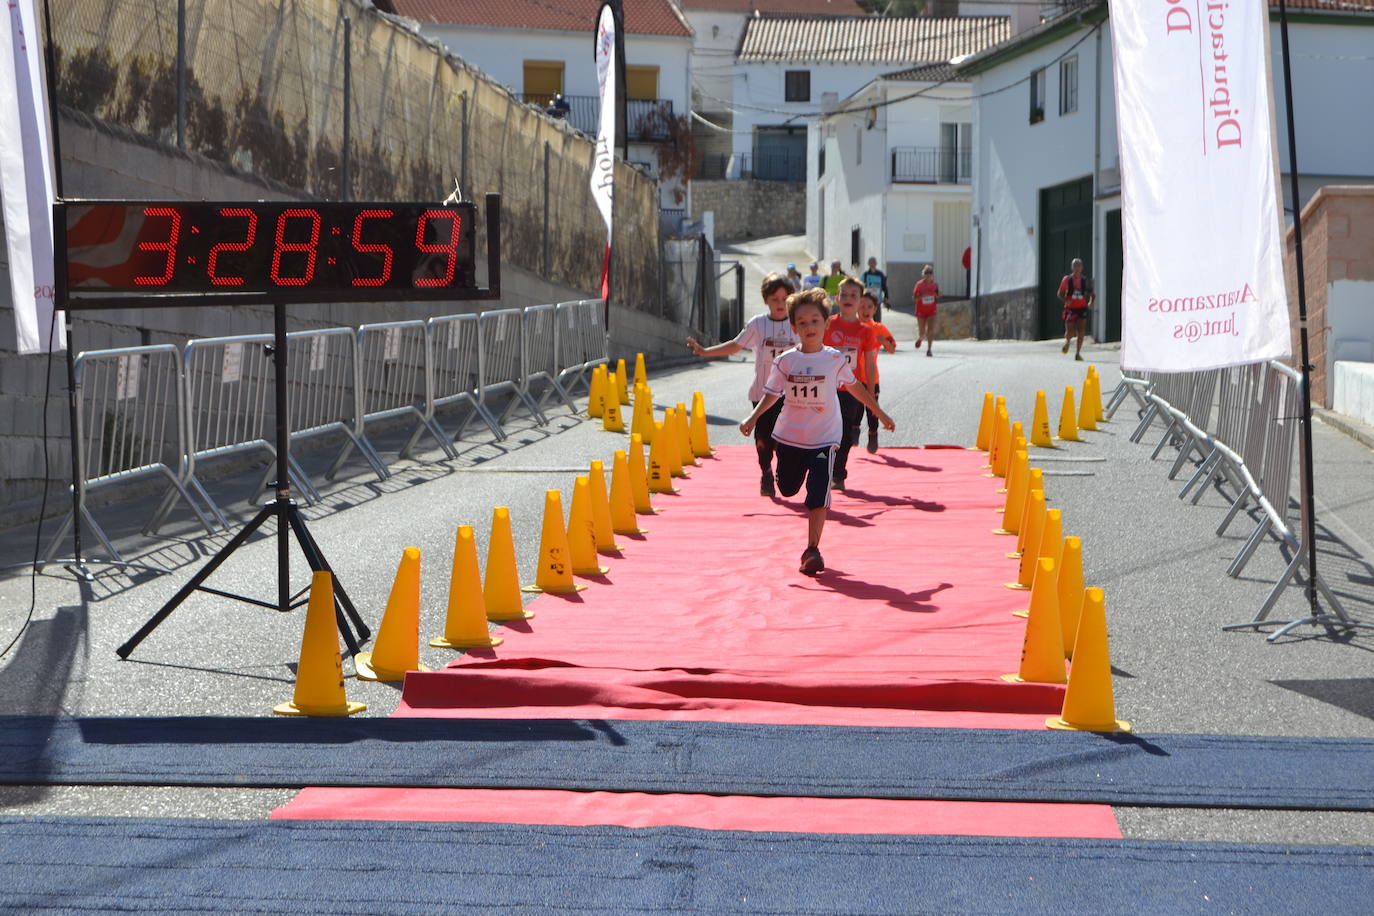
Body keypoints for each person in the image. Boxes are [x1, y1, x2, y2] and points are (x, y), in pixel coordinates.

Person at [740, 289, 894, 576]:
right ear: (794, 327)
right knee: (787, 487)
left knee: (819, 493)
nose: (809, 327)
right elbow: (771, 394)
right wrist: (753, 417)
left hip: (825, 438)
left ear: (826, 324)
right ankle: (786, 476)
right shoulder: (785, 361)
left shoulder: (834, 360)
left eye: (815, 321)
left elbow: (855, 387)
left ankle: (812, 550)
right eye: (802, 323)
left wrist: (878, 411)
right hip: (790, 437)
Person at [687, 272, 799, 496]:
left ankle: (784, 473)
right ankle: (766, 471)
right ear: (766, 300)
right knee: (764, 441)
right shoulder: (758, 324)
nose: (780, 304)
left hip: (791, 397)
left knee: (787, 442)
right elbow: (736, 345)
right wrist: (706, 351)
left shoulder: (797, 324)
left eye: (784, 299)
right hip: (762, 394)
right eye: (774, 299)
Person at [823, 276, 880, 490]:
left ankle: (839, 474)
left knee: (846, 432)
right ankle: (823, 469)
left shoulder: (866, 331)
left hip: (851, 390)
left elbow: (871, 365)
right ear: (837, 298)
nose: (848, 298)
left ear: (860, 300)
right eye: (844, 295)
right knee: (826, 432)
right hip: (826, 389)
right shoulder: (827, 323)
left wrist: (871, 392)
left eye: (853, 295)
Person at [856, 290, 896, 454]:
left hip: (872, 378)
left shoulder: (879, 328)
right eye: (862, 306)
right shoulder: (852, 326)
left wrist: (883, 341)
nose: (865, 310)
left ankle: (873, 435)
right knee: (854, 412)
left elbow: (892, 348)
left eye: (869, 307)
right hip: (853, 379)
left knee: (872, 410)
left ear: (875, 309)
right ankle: (852, 442)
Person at [1058, 257, 1095, 361]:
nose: (1077, 268)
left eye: (1079, 266)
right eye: (1075, 266)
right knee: (1070, 331)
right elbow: (1059, 293)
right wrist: (1066, 300)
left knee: (1081, 331)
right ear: (1072, 268)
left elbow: (1093, 294)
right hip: (1070, 308)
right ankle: (1068, 341)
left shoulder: (1085, 280)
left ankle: (1078, 353)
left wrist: (1090, 303)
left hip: (1082, 308)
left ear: (1082, 268)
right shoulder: (1067, 279)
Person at [912, 264, 939, 357]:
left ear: (932, 275)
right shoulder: (919, 285)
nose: (928, 275)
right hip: (921, 311)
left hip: (932, 310)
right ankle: (921, 338)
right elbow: (914, 298)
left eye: (930, 273)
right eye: (926, 273)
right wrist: (921, 296)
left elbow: (937, 295)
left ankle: (929, 349)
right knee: (922, 331)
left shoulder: (935, 285)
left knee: (930, 330)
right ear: (923, 274)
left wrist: (937, 294)